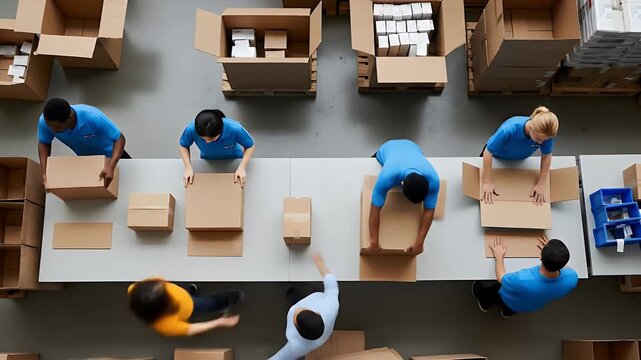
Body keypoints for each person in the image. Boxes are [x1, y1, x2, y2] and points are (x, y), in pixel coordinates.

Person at [471, 236, 578, 318]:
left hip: (508, 299)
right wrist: (553, 253)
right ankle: (506, 313)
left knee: (492, 293)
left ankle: (484, 303)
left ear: (540, 257)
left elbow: (501, 277)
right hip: (531, 305)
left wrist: (499, 257)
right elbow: (564, 266)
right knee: (512, 308)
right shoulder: (572, 278)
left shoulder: (523, 279)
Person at [365, 139, 440, 255]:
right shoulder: (387, 175)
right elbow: (374, 208)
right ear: (402, 184)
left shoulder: (433, 179)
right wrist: (374, 242)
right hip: (388, 147)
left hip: (413, 146)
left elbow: (429, 211)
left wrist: (420, 242)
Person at [37, 98, 129, 187]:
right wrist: (44, 172)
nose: (52, 130)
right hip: (88, 162)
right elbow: (44, 142)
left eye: (56, 127)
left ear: (70, 117)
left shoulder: (93, 116)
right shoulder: (45, 121)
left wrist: (111, 166)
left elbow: (120, 138)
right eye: (49, 126)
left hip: (115, 157)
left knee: (131, 184)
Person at [481, 106, 559, 206]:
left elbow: (546, 155)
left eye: (544, 139)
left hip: (519, 161)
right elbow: (488, 153)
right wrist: (487, 182)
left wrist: (541, 183)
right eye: (538, 138)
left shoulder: (545, 134)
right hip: (496, 158)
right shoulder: (509, 129)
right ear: (531, 128)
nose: (541, 142)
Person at [270, 254, 339, 360]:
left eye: (296, 316)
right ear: (317, 313)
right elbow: (331, 281)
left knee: (294, 299)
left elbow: (280, 357)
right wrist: (320, 263)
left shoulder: (297, 347)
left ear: (296, 327)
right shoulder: (331, 305)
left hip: (311, 302)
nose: (297, 309)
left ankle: (295, 298)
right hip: (316, 300)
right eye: (304, 310)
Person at [128, 279, 243, 337]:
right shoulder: (165, 325)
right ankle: (231, 298)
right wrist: (219, 322)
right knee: (210, 303)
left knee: (189, 296)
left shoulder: (137, 289)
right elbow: (191, 329)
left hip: (184, 296)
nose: (161, 284)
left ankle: (191, 292)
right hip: (191, 306)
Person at [179, 109, 255, 188]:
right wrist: (188, 168)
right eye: (203, 138)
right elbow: (183, 145)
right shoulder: (191, 129)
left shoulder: (235, 129)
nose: (207, 142)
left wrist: (242, 167)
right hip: (208, 161)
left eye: (211, 139)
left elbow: (250, 146)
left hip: (234, 160)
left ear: (220, 131)